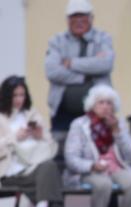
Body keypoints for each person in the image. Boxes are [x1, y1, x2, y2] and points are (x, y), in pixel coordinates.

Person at [0, 76, 73, 207]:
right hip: (10, 171)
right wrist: (13, 138)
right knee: (49, 177)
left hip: (34, 166)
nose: (19, 99)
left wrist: (40, 136)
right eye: (15, 95)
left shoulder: (31, 114)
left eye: (22, 95)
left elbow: (50, 147)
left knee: (48, 168)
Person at [64, 84, 131, 207]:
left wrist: (117, 132)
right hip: (89, 170)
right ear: (92, 105)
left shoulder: (117, 123)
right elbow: (71, 157)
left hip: (115, 168)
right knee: (103, 185)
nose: (106, 107)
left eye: (109, 103)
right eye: (101, 103)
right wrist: (92, 165)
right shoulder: (80, 125)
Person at [45, 0, 114, 132]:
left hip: (98, 113)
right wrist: (86, 74)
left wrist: (71, 63)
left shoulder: (103, 38)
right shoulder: (57, 41)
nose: (78, 21)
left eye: (82, 16)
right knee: (61, 149)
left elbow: (106, 64)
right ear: (67, 20)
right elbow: (52, 71)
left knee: (98, 148)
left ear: (91, 18)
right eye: (74, 17)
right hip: (63, 114)